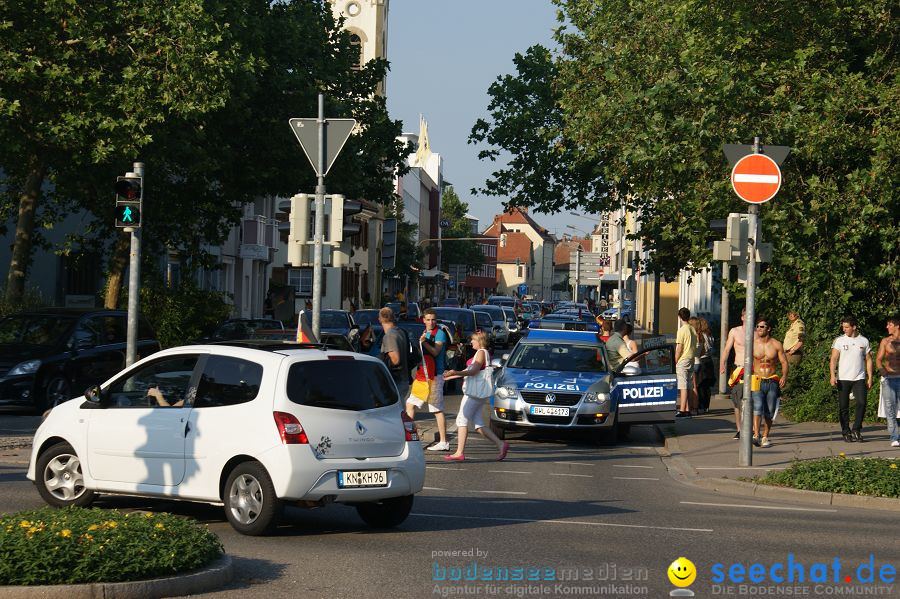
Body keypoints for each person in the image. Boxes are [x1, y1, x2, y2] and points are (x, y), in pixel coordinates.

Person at [442, 332, 509, 461]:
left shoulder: (480, 353)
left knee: (462, 420)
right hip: (480, 393)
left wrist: (455, 371)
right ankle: (501, 444)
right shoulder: (485, 353)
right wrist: (449, 376)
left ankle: (459, 452)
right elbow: (473, 373)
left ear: (479, 341)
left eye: (473, 340)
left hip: (473, 393)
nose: (471, 342)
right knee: (478, 424)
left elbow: (473, 371)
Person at [406, 309, 451, 451]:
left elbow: (436, 351)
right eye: (428, 319)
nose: (431, 322)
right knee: (410, 404)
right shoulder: (425, 333)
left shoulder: (440, 334)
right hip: (423, 375)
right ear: (423, 320)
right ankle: (409, 437)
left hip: (435, 376)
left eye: (433, 319)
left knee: (436, 409)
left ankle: (443, 442)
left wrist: (424, 342)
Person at [830, 316, 874, 442]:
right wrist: (833, 375)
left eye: (847, 327)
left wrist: (870, 377)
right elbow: (833, 359)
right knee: (844, 407)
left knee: (862, 402)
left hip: (859, 378)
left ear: (854, 327)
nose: (844, 329)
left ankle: (856, 429)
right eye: (843, 327)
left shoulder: (864, 341)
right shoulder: (839, 341)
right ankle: (846, 431)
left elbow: (869, 359)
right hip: (843, 378)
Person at [750, 316, 788, 448]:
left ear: (768, 329)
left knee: (770, 410)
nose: (759, 329)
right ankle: (756, 434)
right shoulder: (752, 344)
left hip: (772, 380)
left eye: (762, 327)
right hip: (757, 379)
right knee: (758, 406)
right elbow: (747, 362)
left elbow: (783, 361)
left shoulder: (776, 344)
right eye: (757, 326)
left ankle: (765, 436)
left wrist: (784, 376)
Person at [720, 309, 747, 439]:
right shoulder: (735, 331)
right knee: (738, 401)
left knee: (752, 400)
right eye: (746, 316)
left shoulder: (757, 332)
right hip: (739, 368)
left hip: (753, 370)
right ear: (742, 317)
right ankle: (739, 429)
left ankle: (752, 429)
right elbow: (727, 349)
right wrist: (722, 363)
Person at [875, 316, 900, 447]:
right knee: (890, 409)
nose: (887, 327)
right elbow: (878, 359)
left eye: (889, 324)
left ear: (897, 326)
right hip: (889, 379)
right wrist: (881, 370)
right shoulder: (885, 341)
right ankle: (894, 437)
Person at [378, 307, 410, 402]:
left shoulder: (389, 336)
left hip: (395, 382)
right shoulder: (400, 332)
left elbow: (395, 360)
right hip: (403, 379)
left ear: (379, 319)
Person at [674, 307, 697, 417]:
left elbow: (679, 348)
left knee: (683, 386)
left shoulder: (682, 330)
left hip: (683, 359)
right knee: (688, 385)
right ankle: (688, 409)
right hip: (691, 358)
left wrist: (675, 361)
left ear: (679, 317)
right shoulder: (692, 329)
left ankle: (682, 410)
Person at [693, 317, 715, 413]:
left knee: (700, 385)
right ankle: (706, 406)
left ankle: (701, 406)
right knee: (707, 386)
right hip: (709, 361)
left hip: (702, 361)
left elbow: (700, 351)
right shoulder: (710, 335)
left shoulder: (701, 335)